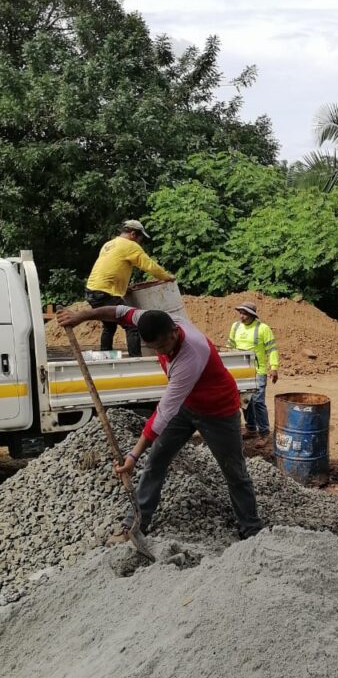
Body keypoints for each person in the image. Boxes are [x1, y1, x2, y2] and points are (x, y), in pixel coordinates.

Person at [57, 304, 264, 542]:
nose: (162, 352)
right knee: (156, 460)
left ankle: (251, 529)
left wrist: (132, 457)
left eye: (165, 346)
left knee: (234, 471)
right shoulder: (150, 319)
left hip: (218, 410)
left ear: (174, 331)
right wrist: (81, 316)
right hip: (187, 404)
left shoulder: (191, 354)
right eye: (156, 348)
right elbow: (118, 312)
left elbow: (164, 413)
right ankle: (135, 524)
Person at [85, 220, 174, 357]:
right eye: (140, 238)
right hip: (106, 293)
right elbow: (149, 266)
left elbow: (111, 268)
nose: (140, 242)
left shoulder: (109, 244)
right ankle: (135, 359)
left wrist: (123, 288)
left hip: (92, 290)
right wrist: (166, 277)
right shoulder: (130, 246)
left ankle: (105, 357)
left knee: (109, 326)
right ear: (133, 234)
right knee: (132, 325)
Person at [227, 302, 279, 445]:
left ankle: (264, 433)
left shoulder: (263, 329)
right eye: (240, 313)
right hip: (240, 372)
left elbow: (272, 349)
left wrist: (273, 367)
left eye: (245, 314)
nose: (241, 317)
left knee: (257, 402)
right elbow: (230, 347)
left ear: (252, 315)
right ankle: (251, 429)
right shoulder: (235, 327)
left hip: (258, 372)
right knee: (245, 401)